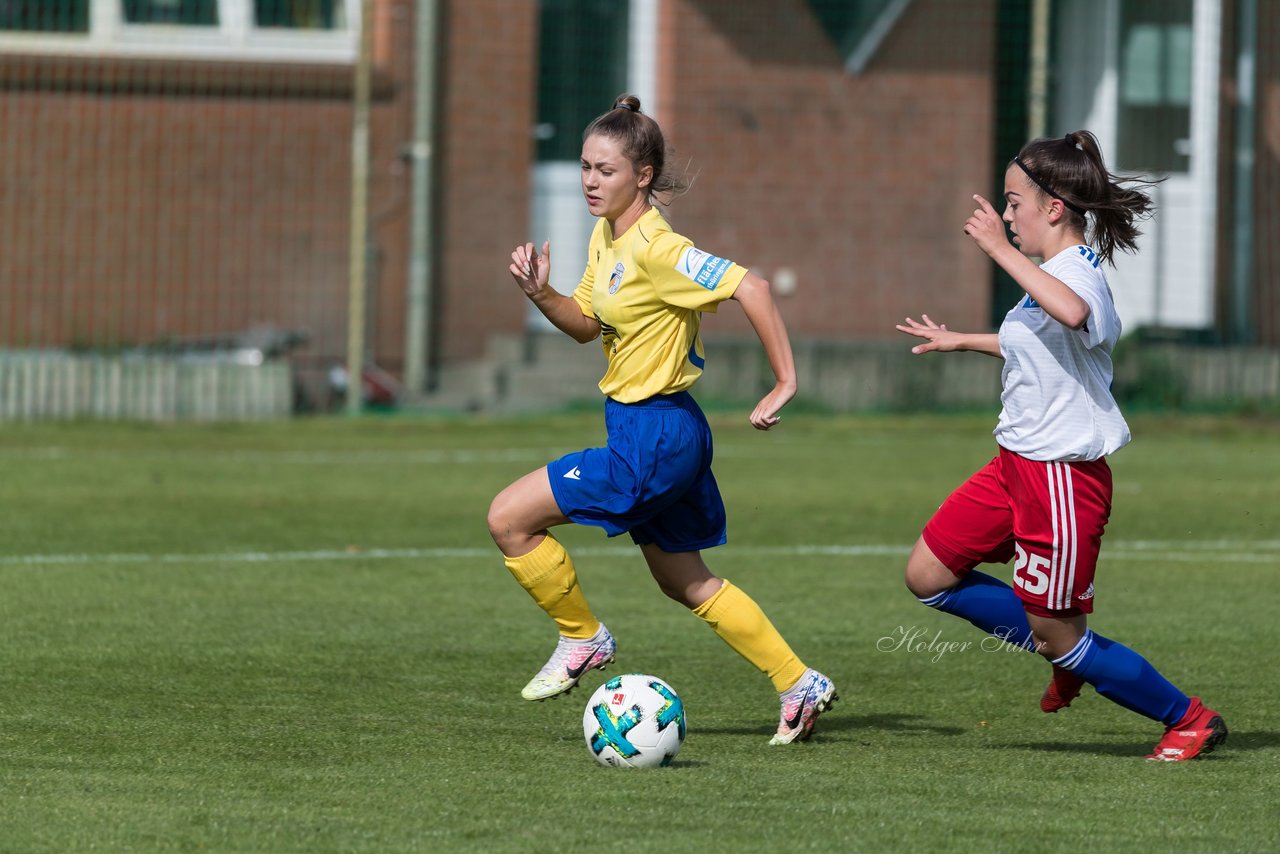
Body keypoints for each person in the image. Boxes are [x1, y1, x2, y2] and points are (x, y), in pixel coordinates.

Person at [487, 95, 836, 745]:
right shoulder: (606, 236)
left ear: (642, 175)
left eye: (606, 170)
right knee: (687, 580)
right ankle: (798, 682)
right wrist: (541, 295)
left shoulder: (659, 247)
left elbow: (751, 287)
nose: (591, 181)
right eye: (585, 167)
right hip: (653, 431)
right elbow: (588, 327)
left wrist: (786, 379)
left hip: (658, 434)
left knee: (509, 518)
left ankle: (582, 638)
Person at [895, 130, 1226, 761]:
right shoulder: (1049, 274)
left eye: (1014, 202)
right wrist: (963, 339)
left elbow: (1072, 314)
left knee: (1060, 635)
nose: (1006, 214)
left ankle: (1189, 717)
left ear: (1053, 208)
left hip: (1061, 481)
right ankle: (1063, 648)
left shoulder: (1076, 274)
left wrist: (997, 249)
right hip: (1012, 466)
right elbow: (1042, 339)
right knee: (928, 576)